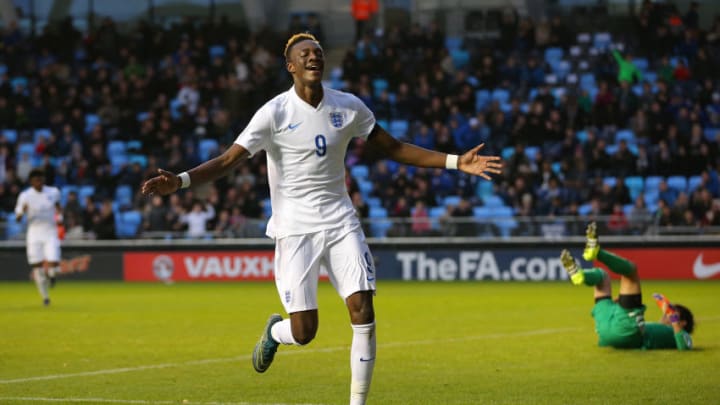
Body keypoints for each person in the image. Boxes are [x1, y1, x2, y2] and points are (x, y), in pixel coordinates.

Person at [140, 33, 503, 405]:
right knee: (304, 331)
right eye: (304, 54)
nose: (313, 57)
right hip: (295, 229)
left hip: (341, 221)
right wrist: (181, 181)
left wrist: (456, 161)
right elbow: (229, 160)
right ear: (291, 66)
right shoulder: (274, 113)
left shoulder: (348, 107)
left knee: (363, 309)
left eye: (318, 52)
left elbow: (393, 148)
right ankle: (275, 333)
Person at [560, 222, 694, 350]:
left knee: (631, 272)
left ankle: (597, 253)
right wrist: (618, 305)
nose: (666, 314)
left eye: (673, 311)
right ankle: (580, 274)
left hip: (625, 332)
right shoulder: (658, 329)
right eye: (669, 310)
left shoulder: (680, 333)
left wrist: (673, 316)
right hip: (609, 326)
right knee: (602, 276)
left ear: (684, 323)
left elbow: (684, 347)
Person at [14, 169, 63, 306]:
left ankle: (52, 276)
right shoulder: (25, 196)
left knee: (54, 263)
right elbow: (17, 218)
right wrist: (22, 212)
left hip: (50, 230)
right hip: (34, 232)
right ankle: (45, 297)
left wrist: (60, 217)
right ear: (31, 182)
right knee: (37, 267)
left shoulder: (53, 192)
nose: (39, 183)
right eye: (36, 180)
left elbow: (58, 207)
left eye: (41, 180)